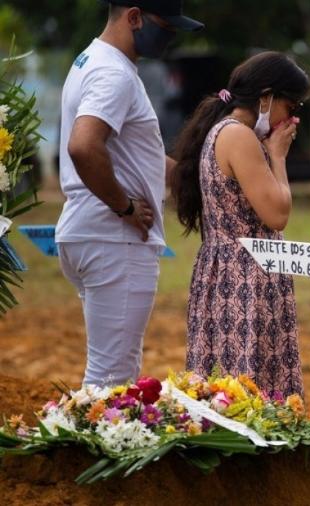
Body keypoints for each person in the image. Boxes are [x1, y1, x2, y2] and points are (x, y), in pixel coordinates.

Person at [57, 0, 202, 387]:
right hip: (113, 238)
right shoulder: (114, 75)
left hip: (89, 232)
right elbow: (84, 146)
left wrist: (205, 179)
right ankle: (88, 448)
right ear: (134, 17)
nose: (171, 38)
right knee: (111, 379)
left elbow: (142, 159)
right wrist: (124, 208)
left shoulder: (93, 60)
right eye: (165, 27)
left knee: (111, 370)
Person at [171, 52, 309, 396]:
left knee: (226, 382)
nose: (291, 119)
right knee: (246, 387)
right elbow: (277, 214)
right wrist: (278, 157)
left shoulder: (224, 131)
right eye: (291, 107)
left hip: (227, 270)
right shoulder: (239, 136)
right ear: (266, 97)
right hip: (245, 273)